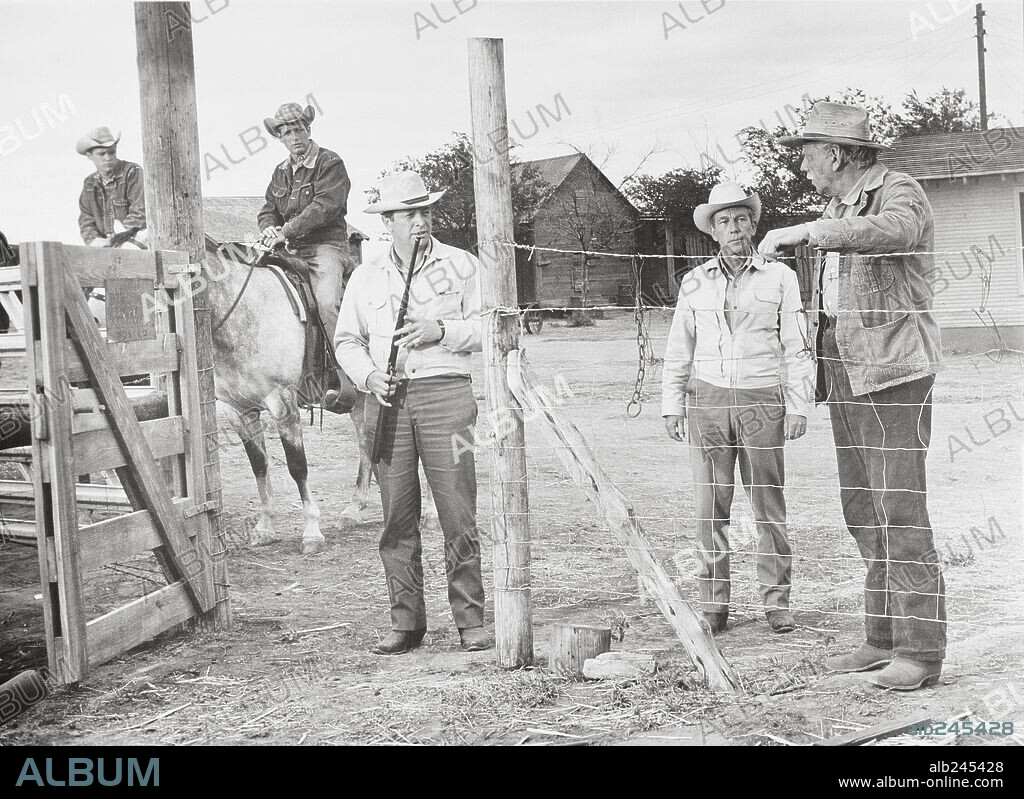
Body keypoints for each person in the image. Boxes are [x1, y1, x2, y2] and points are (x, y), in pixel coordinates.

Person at [759, 101, 945, 691]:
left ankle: (920, 653)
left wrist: (808, 231)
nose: (804, 165)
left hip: (893, 371)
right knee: (863, 509)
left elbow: (898, 233)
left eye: (809, 153)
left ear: (836, 153)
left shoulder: (899, 191)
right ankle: (881, 638)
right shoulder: (838, 205)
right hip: (844, 371)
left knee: (902, 511)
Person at [335, 171, 490, 656]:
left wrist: (440, 331)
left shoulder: (463, 266)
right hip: (389, 401)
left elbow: (490, 327)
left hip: (446, 395)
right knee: (397, 518)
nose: (420, 222)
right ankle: (407, 623)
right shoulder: (366, 275)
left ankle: (470, 620)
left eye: (425, 212)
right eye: (409, 214)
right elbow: (346, 340)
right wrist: (367, 377)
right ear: (390, 223)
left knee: (458, 512)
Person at [663, 181, 813, 637]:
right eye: (724, 221)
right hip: (708, 400)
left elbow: (797, 346)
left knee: (768, 503)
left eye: (742, 218)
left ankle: (776, 602)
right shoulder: (694, 281)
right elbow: (677, 349)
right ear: (712, 231)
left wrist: (798, 405)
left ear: (753, 223)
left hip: (762, 397)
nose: (735, 228)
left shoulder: (780, 277)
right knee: (712, 505)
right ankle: (714, 604)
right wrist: (672, 405)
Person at [258, 102, 356, 413]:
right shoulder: (280, 172)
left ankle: (346, 374)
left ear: (308, 130)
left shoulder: (330, 162)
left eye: (298, 129)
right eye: (287, 132)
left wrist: (284, 231)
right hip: (291, 249)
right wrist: (269, 228)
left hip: (326, 247)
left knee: (326, 302)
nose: (294, 136)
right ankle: (286, 376)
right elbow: (267, 210)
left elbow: (324, 207)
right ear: (280, 138)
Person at [77, 127, 148, 248]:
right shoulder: (90, 183)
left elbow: (139, 211)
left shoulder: (132, 172)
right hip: (107, 245)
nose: (108, 158)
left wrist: (117, 239)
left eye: (111, 152)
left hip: (134, 239)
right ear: (89, 155)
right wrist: (95, 240)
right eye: (101, 154)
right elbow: (86, 219)